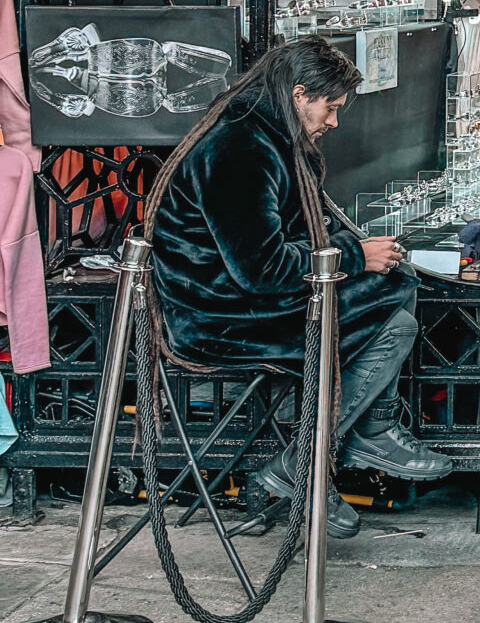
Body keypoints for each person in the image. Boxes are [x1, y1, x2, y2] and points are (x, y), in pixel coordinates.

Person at [147, 35, 438, 543]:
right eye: (331, 108)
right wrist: (354, 257)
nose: (334, 123)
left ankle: (346, 443)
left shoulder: (267, 133)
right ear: (300, 94)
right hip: (214, 314)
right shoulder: (240, 146)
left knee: (397, 285)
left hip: (239, 297)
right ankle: (313, 460)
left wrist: (361, 250)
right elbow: (261, 270)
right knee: (395, 312)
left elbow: (305, 227)